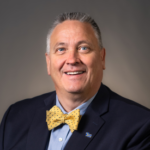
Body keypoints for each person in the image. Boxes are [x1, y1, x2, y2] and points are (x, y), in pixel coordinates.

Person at [0, 12, 150, 150]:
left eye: (84, 48)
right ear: (48, 62)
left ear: (102, 58)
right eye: (61, 49)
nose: (72, 60)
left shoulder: (140, 125)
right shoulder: (14, 117)